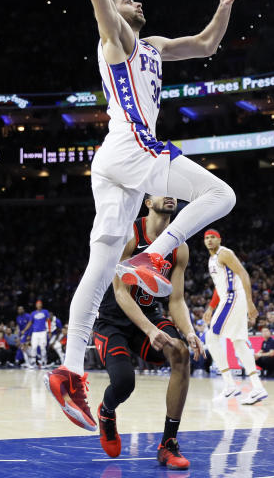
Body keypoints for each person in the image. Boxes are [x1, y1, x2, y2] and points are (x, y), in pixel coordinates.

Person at [48, 0, 241, 431]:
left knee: (102, 261)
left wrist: (224, 5)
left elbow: (206, 44)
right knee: (220, 194)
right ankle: (155, 254)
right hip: (133, 151)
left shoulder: (152, 46)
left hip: (112, 161)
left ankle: (68, 372)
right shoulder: (117, 39)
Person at [92, 196, 205, 470]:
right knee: (124, 384)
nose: (169, 195)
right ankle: (107, 413)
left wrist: (189, 332)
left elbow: (176, 300)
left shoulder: (180, 248)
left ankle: (168, 443)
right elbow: (120, 292)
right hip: (113, 320)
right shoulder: (130, 234)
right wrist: (149, 329)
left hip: (149, 315)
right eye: (160, 190)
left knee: (180, 352)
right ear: (147, 201)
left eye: (172, 192)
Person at [201, 230, 266, 405]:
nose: (209, 240)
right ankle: (257, 387)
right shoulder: (212, 260)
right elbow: (218, 287)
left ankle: (230, 385)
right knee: (238, 342)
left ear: (219, 239)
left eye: (213, 237)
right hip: (227, 298)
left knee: (211, 337)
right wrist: (210, 307)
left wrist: (251, 302)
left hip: (234, 297)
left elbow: (243, 274)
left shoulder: (225, 253)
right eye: (206, 238)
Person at [29, 300, 51, 368]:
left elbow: (48, 321)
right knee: (34, 347)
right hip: (35, 332)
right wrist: (25, 330)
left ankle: (44, 361)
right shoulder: (33, 313)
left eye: (40, 304)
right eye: (38, 304)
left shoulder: (45, 312)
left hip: (43, 332)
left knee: (43, 347)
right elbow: (30, 323)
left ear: (41, 305)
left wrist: (49, 331)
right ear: (36, 305)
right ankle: (33, 362)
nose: (39, 305)